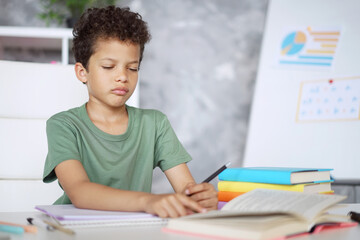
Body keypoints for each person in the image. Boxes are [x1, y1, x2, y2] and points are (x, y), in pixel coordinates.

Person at [43, 6, 217, 218]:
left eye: (132, 68)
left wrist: (198, 196)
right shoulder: (63, 125)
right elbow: (80, 192)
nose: (122, 77)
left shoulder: (155, 123)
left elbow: (186, 187)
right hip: (74, 228)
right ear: (82, 72)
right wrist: (149, 201)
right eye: (108, 66)